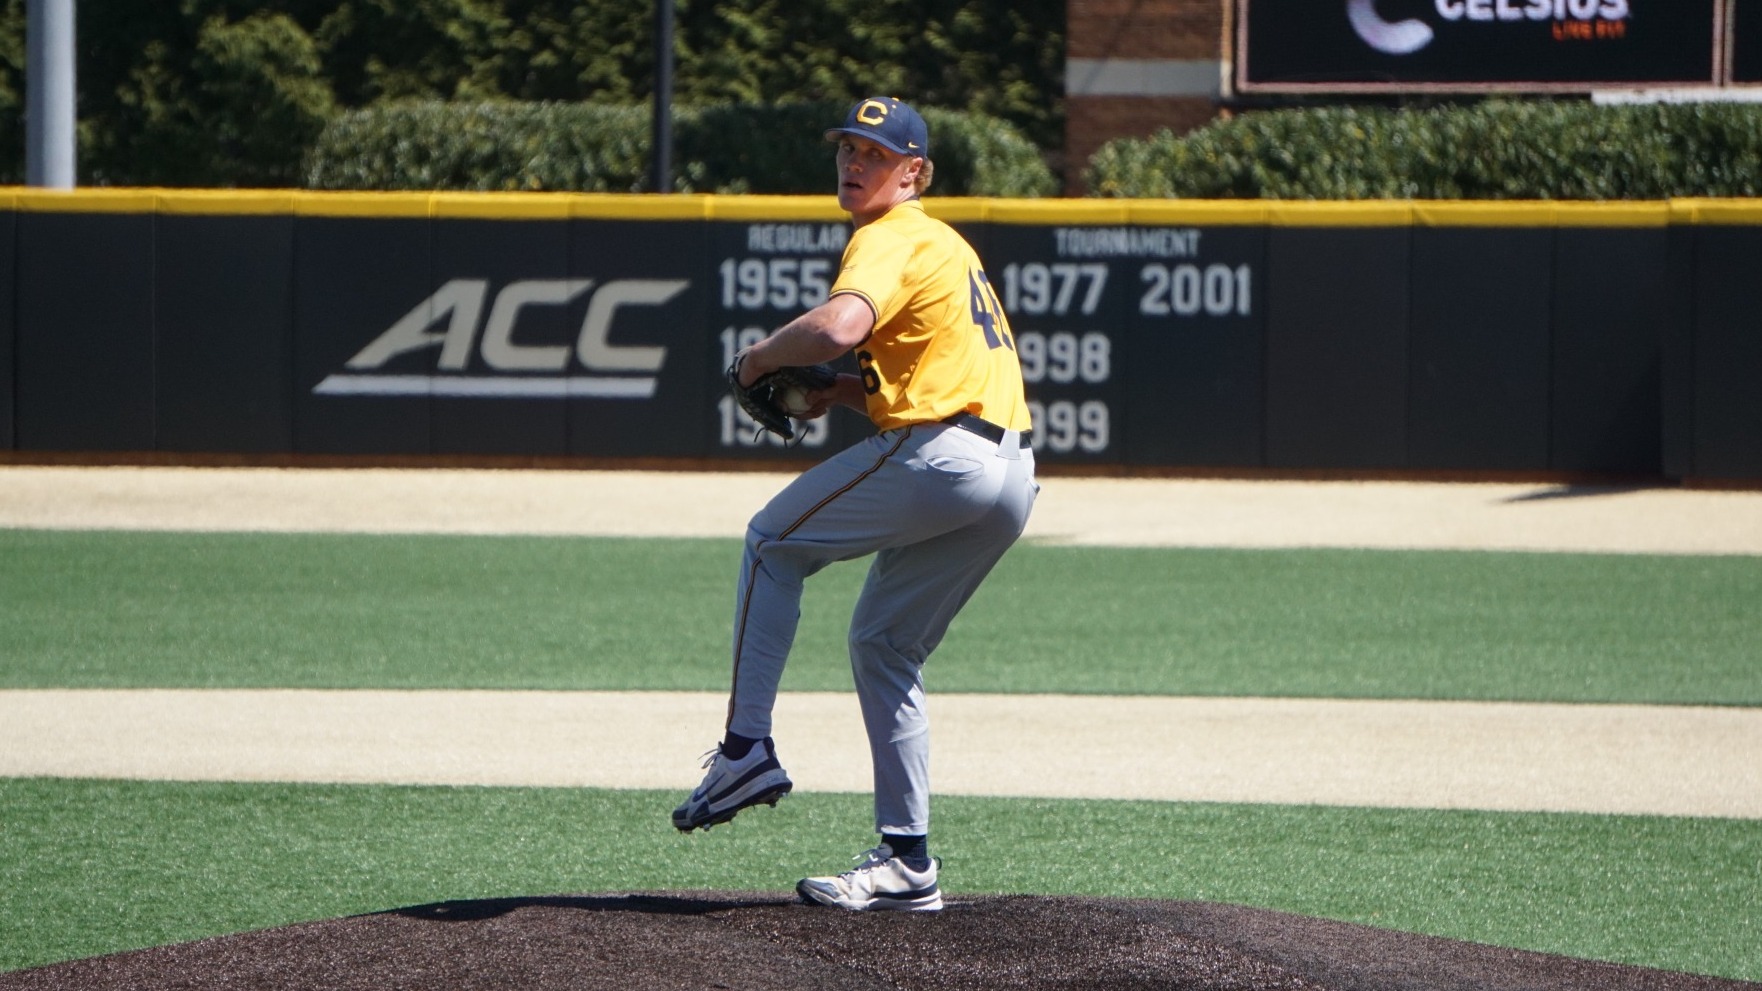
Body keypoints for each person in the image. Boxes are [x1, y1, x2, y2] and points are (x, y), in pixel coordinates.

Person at [670, 96, 1038, 913]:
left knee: (771, 544)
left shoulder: (890, 234)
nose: (853, 162)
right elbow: (918, 379)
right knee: (883, 644)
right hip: (1009, 475)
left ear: (914, 173)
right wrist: (838, 394)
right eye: (847, 147)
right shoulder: (946, 243)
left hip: (946, 460)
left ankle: (744, 748)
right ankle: (909, 863)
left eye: (874, 153)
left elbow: (840, 324)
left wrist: (758, 358)